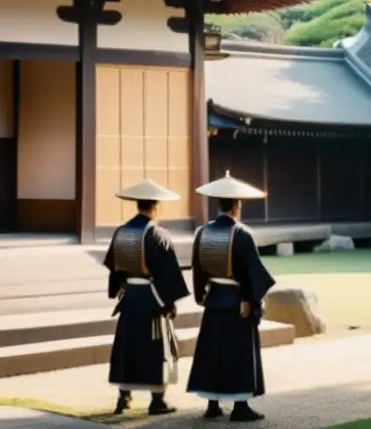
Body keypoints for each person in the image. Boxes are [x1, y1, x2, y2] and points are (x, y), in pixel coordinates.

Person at [188, 171, 275, 422]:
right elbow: (252, 274)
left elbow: (197, 269)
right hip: (238, 302)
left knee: (212, 351)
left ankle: (212, 403)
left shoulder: (202, 233)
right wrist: (254, 302)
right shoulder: (242, 234)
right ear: (236, 206)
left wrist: (201, 295)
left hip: (214, 298)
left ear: (219, 205)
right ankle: (240, 406)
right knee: (238, 353)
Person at [103, 178, 190, 417]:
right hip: (152, 299)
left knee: (128, 348)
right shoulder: (158, 234)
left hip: (130, 298)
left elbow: (114, 266)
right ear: (155, 206)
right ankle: (157, 400)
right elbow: (168, 271)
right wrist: (170, 303)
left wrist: (120, 289)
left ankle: (123, 398)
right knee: (155, 348)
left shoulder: (121, 232)